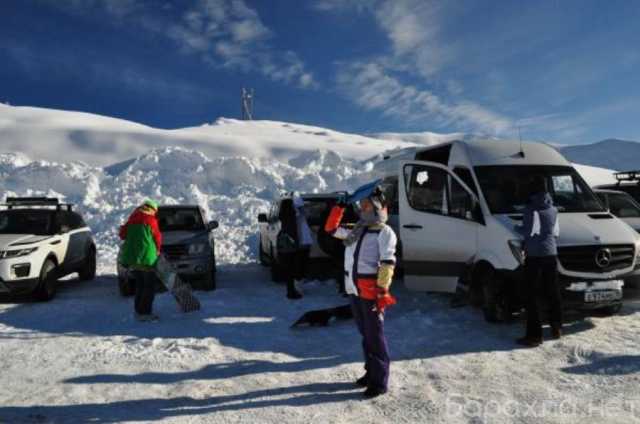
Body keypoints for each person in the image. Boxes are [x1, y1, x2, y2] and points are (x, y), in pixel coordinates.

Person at [324, 187, 397, 398]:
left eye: (366, 205)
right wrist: (339, 207)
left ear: (377, 207)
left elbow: (387, 263)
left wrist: (383, 290)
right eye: (361, 205)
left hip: (371, 293)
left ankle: (379, 381)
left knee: (375, 337)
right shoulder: (358, 229)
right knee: (366, 335)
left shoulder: (384, 232)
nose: (362, 208)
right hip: (354, 290)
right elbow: (331, 229)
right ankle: (371, 372)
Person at [515, 176, 561, 347]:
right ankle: (556, 327)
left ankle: (534, 336)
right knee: (552, 291)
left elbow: (528, 232)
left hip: (535, 255)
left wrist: (515, 227)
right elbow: (555, 232)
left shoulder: (530, 210)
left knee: (531, 295)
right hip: (551, 253)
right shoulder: (554, 209)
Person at [119, 199, 162, 321]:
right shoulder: (151, 220)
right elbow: (157, 237)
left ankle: (138, 311)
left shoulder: (132, 219)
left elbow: (122, 234)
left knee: (140, 285)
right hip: (147, 259)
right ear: (152, 209)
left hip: (134, 259)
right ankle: (146, 313)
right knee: (149, 287)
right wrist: (158, 250)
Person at [278, 195, 312, 299]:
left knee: (290, 270)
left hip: (289, 247)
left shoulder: (285, 215)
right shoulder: (293, 216)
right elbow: (295, 230)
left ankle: (292, 291)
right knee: (297, 269)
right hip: (296, 246)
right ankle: (293, 292)